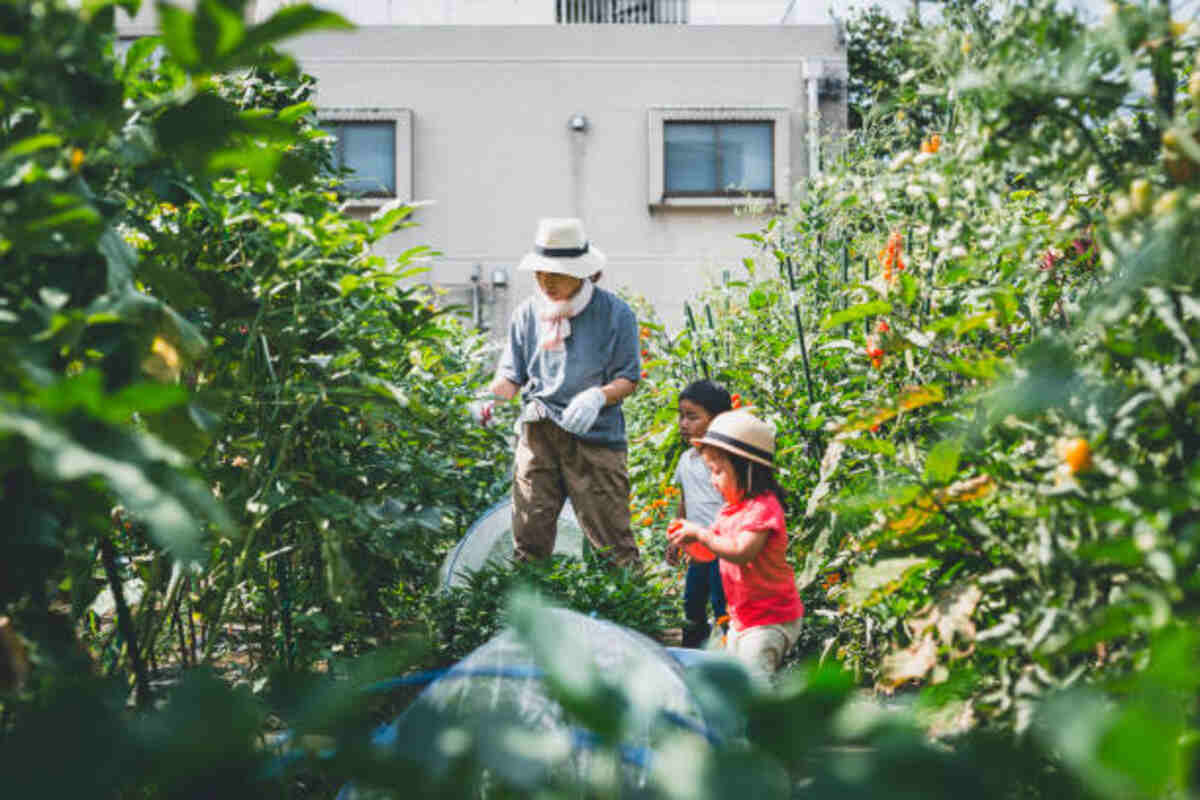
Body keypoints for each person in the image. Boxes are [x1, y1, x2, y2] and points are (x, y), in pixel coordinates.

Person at [486, 218, 642, 567]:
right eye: (541, 272)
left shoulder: (615, 314)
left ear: (584, 272)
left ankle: (629, 615)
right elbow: (511, 375)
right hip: (539, 432)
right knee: (528, 534)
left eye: (557, 272)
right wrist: (490, 399)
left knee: (612, 541)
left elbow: (628, 376)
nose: (547, 281)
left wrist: (599, 396)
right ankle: (530, 612)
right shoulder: (527, 313)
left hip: (595, 437)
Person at [667, 410, 803, 679]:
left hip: (771, 619)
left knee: (753, 681)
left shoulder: (763, 508)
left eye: (718, 472)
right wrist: (688, 541)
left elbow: (742, 552)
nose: (712, 480)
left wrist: (702, 534)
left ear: (747, 471)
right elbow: (708, 554)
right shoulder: (729, 511)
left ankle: (765, 721)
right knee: (736, 679)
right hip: (743, 618)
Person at [670, 380, 732, 648]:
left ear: (717, 420)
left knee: (724, 608)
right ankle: (691, 658)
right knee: (691, 608)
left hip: (723, 550)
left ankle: (738, 659)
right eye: (681, 416)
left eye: (692, 417)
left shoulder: (724, 462)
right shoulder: (686, 460)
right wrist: (676, 537)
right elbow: (686, 499)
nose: (684, 423)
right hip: (698, 551)